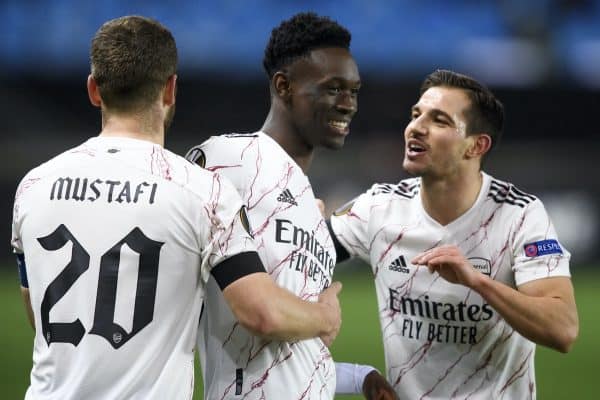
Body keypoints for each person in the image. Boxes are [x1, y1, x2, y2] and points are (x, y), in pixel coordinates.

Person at [11, 16, 343, 400]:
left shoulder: (34, 186)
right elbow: (261, 313)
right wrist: (323, 315)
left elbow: (37, 312)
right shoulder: (202, 192)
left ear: (94, 90)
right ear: (170, 90)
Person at [328, 69, 579, 399]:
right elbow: (296, 257)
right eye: (416, 115)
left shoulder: (519, 215)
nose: (416, 127)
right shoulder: (380, 207)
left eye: (439, 120)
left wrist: (478, 282)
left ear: (476, 146)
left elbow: (563, 329)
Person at [186, 12, 395, 400]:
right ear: (284, 87)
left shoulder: (310, 209)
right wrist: (324, 317)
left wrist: (358, 376)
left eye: (355, 90)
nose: (349, 104)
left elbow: (290, 357)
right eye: (333, 89)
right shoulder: (229, 158)